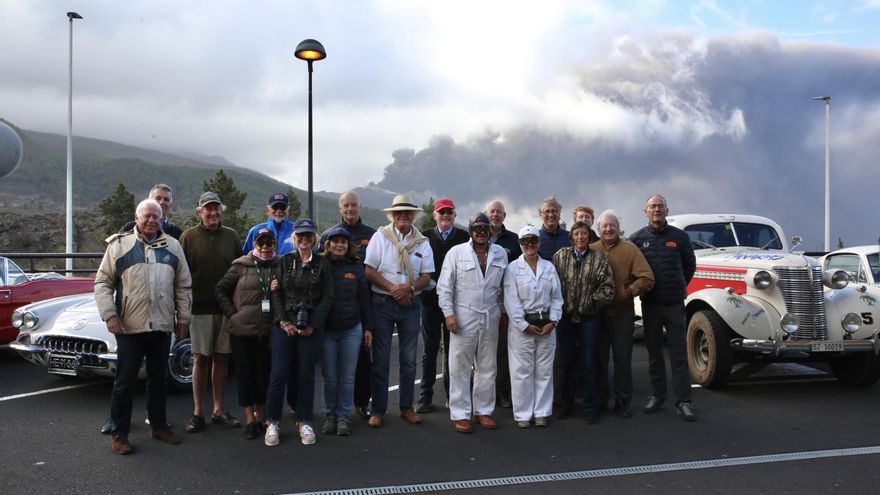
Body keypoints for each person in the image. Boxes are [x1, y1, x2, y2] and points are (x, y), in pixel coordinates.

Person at [95, 199, 191, 455]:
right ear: (136, 218)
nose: (151, 220)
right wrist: (110, 315)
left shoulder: (173, 246)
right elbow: (103, 282)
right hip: (130, 327)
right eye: (146, 216)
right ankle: (119, 433)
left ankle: (158, 426)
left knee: (158, 380)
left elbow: (183, 285)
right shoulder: (119, 245)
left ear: (162, 219)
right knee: (124, 383)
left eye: (155, 216)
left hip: (161, 326)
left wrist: (183, 319)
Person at [364, 194, 434, 428]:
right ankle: (378, 410)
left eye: (407, 212)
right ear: (393, 215)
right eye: (399, 212)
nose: (403, 215)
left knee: (409, 360)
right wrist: (394, 289)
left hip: (410, 305)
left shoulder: (422, 242)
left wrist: (409, 289)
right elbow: (369, 270)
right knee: (381, 359)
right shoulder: (380, 237)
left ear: (412, 215)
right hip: (383, 303)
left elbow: (427, 276)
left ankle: (406, 407)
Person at [265, 218, 334, 446]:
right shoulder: (285, 261)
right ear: (294, 238)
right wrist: (284, 322)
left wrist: (313, 324)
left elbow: (328, 297)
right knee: (278, 375)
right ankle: (272, 422)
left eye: (308, 235)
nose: (304, 239)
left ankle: (304, 421)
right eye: (300, 235)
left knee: (306, 376)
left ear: (314, 238)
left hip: (311, 328)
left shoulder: (323, 264)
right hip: (284, 327)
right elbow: (276, 294)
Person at [437, 213, 508, 433]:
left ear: (490, 230)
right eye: (477, 228)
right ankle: (460, 414)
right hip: (463, 316)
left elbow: (504, 288)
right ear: (470, 230)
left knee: (488, 366)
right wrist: (449, 314)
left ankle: (483, 411)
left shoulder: (500, 254)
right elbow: (444, 287)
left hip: (490, 315)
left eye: (485, 228)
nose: (481, 232)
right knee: (459, 366)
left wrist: (503, 312)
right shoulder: (456, 253)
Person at [629, 194, 698, 422]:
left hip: (674, 303)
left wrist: (678, 286)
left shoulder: (680, 237)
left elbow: (689, 266)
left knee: (678, 354)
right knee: (654, 353)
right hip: (650, 304)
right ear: (645, 212)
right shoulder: (637, 239)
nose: (656, 209)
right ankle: (657, 396)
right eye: (652, 206)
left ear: (666, 211)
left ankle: (683, 401)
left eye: (660, 206)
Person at [179, 192, 242, 433]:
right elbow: (181, 274)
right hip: (199, 309)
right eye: (208, 208)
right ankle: (197, 412)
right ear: (200, 212)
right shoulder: (188, 237)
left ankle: (218, 410)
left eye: (216, 208)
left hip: (225, 309)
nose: (213, 212)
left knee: (222, 358)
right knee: (200, 359)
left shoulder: (232, 236)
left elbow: (240, 272)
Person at [214, 227, 278, 440]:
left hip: (268, 331)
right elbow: (220, 289)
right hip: (242, 331)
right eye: (261, 243)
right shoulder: (240, 265)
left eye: (269, 243)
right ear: (254, 244)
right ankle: (250, 419)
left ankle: (261, 416)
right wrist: (232, 314)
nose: (265, 247)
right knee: (245, 375)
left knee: (264, 374)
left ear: (275, 244)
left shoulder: (280, 265)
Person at [318, 191, 377, 420]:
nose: (350, 209)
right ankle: (332, 411)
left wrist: (369, 323)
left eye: (354, 205)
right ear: (340, 208)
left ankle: (361, 403)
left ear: (360, 207)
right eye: (346, 206)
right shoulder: (327, 235)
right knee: (332, 371)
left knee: (362, 361)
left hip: (362, 303)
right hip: (332, 312)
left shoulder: (372, 235)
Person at [590, 210, 654, 418]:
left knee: (622, 360)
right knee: (599, 360)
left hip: (622, 314)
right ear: (598, 229)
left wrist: (628, 291)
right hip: (598, 316)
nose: (609, 229)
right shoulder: (592, 249)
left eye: (613, 225)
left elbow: (647, 277)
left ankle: (623, 402)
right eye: (605, 226)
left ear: (618, 228)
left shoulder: (630, 249)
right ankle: (601, 400)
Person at [552, 221, 615, 424]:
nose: (580, 237)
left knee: (589, 363)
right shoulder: (560, 256)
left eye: (584, 233)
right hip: (566, 318)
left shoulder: (599, 258)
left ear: (589, 236)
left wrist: (591, 303)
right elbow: (551, 285)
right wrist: (560, 306)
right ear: (571, 237)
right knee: (565, 363)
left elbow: (608, 288)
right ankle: (565, 404)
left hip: (590, 319)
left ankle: (590, 406)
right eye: (577, 234)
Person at [241, 193, 297, 418]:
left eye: (283, 207)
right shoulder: (256, 231)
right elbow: (245, 261)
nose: (279, 210)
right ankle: (263, 407)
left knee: (291, 359)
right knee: (264, 360)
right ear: (268, 209)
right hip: (261, 302)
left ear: (288, 210)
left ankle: (293, 403)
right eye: (275, 207)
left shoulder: (296, 231)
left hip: (289, 302)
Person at [502, 226, 563, 428]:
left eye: (533, 240)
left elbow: (556, 297)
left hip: (546, 325)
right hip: (522, 328)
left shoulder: (549, 267)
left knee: (544, 371)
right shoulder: (512, 269)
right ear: (520, 244)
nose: (529, 244)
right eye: (525, 241)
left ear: (539, 242)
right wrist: (523, 325)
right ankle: (522, 414)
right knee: (522, 371)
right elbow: (511, 300)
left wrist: (553, 321)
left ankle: (542, 413)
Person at [416, 197, 469, 414]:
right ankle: (425, 397)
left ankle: (452, 396)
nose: (446, 216)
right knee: (429, 352)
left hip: (455, 304)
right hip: (429, 302)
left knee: (453, 351)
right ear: (435, 215)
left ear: (455, 216)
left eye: (450, 212)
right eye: (442, 212)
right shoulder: (424, 237)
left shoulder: (464, 237)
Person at [485, 199, 521, 410]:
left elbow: (516, 275)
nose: (495, 215)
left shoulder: (514, 240)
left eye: (499, 212)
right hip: (481, 304)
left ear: (504, 216)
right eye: (492, 211)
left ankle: (503, 391)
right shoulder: (478, 236)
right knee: (483, 352)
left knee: (503, 351)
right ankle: (485, 392)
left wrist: (507, 310)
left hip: (504, 304)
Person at [537, 196, 570, 261]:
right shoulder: (535, 238)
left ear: (559, 214)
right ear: (541, 215)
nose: (551, 215)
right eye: (547, 211)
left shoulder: (570, 237)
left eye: (554, 211)